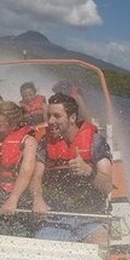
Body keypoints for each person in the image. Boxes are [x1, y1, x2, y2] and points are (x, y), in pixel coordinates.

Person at [31, 94, 113, 245]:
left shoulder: (95, 142)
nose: (50, 121)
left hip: (91, 219)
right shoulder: (45, 143)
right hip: (55, 219)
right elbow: (36, 177)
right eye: (49, 116)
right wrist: (38, 199)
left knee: (101, 244)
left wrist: (88, 171)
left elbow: (107, 186)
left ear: (72, 118)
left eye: (57, 116)